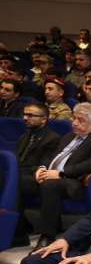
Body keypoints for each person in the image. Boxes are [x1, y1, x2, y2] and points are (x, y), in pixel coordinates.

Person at [21, 103, 91, 248]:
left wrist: (61, 173)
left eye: (81, 120)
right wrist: (42, 168)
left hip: (74, 181)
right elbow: (51, 156)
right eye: (74, 118)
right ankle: (19, 230)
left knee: (50, 184)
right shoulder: (68, 136)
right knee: (18, 180)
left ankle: (47, 236)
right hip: (50, 175)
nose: (75, 123)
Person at [11, 103, 64, 245]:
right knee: (8, 179)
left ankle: (18, 235)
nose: (25, 118)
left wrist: (17, 172)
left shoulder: (52, 138)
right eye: (24, 114)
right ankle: (20, 226)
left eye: (30, 115)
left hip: (38, 177)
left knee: (14, 183)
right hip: (22, 175)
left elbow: (44, 165)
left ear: (43, 119)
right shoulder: (25, 136)